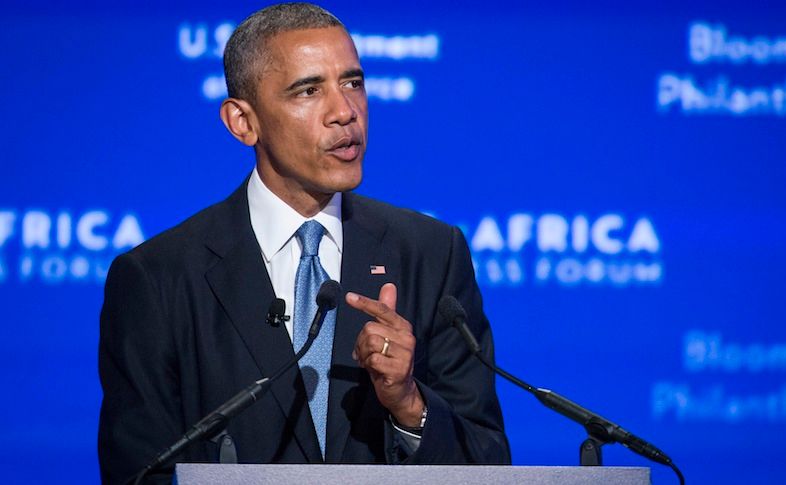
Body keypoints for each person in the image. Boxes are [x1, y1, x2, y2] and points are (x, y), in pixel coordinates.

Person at [98, 3, 510, 483]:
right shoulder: (159, 277)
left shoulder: (431, 254)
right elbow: (138, 473)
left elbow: (489, 462)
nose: (345, 112)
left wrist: (408, 404)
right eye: (309, 90)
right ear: (242, 122)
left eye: (353, 83)